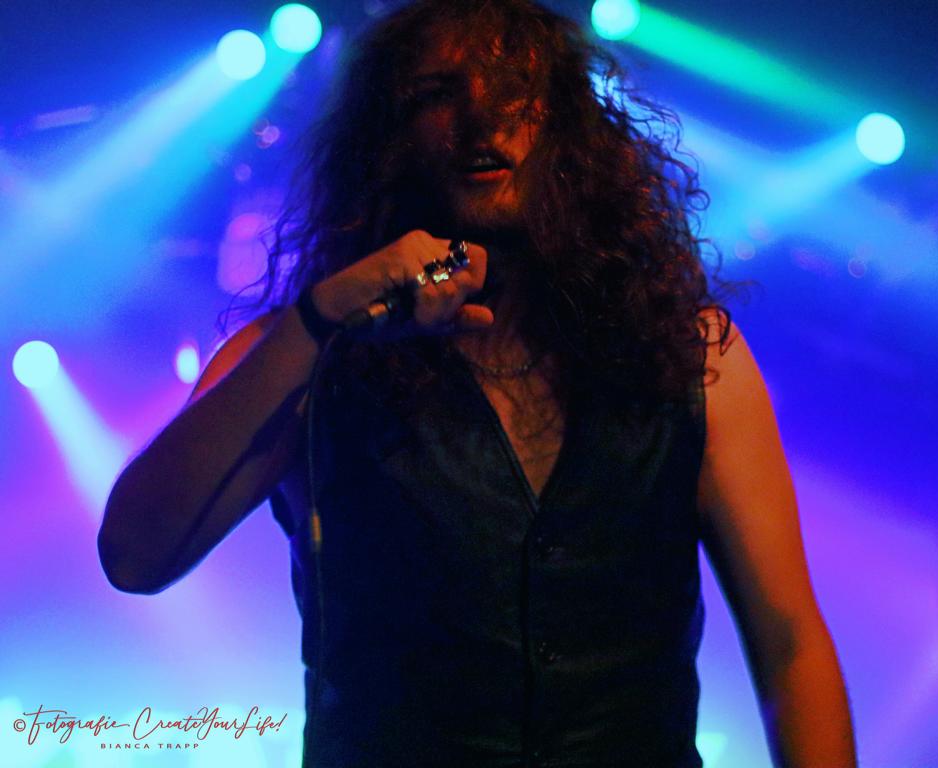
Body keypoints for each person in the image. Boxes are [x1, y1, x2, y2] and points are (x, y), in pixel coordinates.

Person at [98, 0, 857, 765]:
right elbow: (134, 557)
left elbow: (790, 644)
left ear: (568, 120)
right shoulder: (305, 347)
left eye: (515, 88)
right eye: (438, 92)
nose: (481, 120)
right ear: (390, 132)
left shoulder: (690, 352)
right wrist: (315, 324)